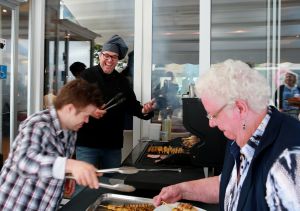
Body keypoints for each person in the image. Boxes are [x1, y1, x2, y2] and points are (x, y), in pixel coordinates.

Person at [153, 59, 300, 210]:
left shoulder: (289, 162)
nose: (211, 123)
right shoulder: (240, 135)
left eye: (213, 115)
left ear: (240, 108)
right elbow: (229, 185)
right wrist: (181, 190)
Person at [0, 79, 103, 211]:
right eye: (85, 115)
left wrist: (67, 174)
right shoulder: (39, 124)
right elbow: (24, 162)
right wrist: (71, 165)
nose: (87, 121)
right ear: (70, 109)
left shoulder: (71, 130)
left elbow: (52, 163)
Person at [76, 35, 155, 171]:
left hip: (112, 144)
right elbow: (74, 103)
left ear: (118, 60)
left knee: (112, 181)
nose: (109, 60)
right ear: (100, 56)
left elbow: (132, 106)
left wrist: (144, 110)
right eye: (106, 55)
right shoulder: (86, 76)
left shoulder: (122, 81)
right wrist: (90, 110)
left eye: (113, 57)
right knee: (84, 185)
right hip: (87, 143)